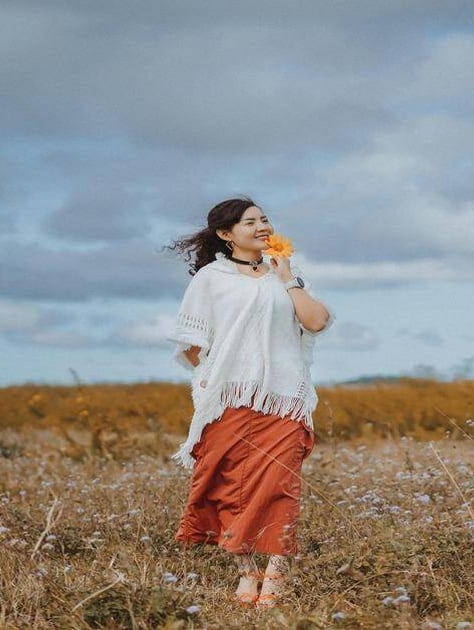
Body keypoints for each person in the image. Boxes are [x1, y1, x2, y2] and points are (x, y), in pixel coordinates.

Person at [163, 196, 335, 609]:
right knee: (227, 486)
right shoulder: (211, 278)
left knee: (280, 487)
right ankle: (246, 571)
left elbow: (316, 322)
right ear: (226, 234)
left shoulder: (286, 277)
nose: (262, 227)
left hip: (282, 400)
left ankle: (274, 574)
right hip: (230, 400)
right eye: (249, 222)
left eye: (264, 220)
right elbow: (190, 345)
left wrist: (288, 277)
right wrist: (214, 377)